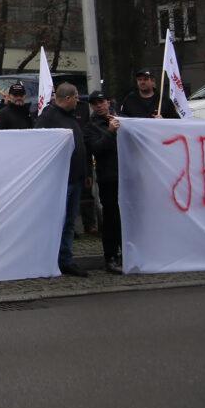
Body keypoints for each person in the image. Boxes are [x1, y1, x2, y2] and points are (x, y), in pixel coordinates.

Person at [37, 82, 114, 277]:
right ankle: (54, 258)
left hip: (76, 177)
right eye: (77, 97)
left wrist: (86, 172)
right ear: (68, 98)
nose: (79, 101)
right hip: (61, 179)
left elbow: (82, 148)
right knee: (60, 221)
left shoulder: (71, 117)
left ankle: (66, 259)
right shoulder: (48, 117)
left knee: (70, 221)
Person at [87, 91, 122, 273]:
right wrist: (110, 132)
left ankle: (127, 252)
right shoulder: (92, 126)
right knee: (110, 218)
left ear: (108, 102)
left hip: (126, 176)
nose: (99, 105)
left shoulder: (122, 119)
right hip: (108, 177)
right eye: (95, 103)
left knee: (126, 216)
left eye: (101, 101)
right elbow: (96, 149)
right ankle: (111, 256)